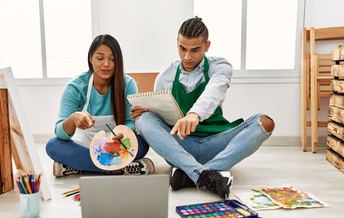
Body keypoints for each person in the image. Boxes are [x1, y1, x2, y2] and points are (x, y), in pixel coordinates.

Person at [130, 17, 275, 199]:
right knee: (144, 119)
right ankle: (208, 175)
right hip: (182, 145)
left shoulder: (220, 66)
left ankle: (191, 173)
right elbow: (161, 120)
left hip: (216, 143)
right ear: (177, 43)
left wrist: (194, 114)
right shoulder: (164, 77)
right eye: (182, 49)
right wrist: (148, 111)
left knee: (264, 122)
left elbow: (214, 91)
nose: (187, 57)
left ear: (206, 46)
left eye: (195, 50)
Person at [46, 34, 154, 177]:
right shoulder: (75, 88)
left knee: (143, 143)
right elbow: (60, 132)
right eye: (100, 58)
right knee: (53, 145)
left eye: (112, 59)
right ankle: (117, 167)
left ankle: (79, 166)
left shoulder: (127, 84)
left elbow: (130, 122)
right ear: (91, 58)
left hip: (115, 143)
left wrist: (124, 133)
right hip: (85, 144)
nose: (106, 64)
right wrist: (73, 119)